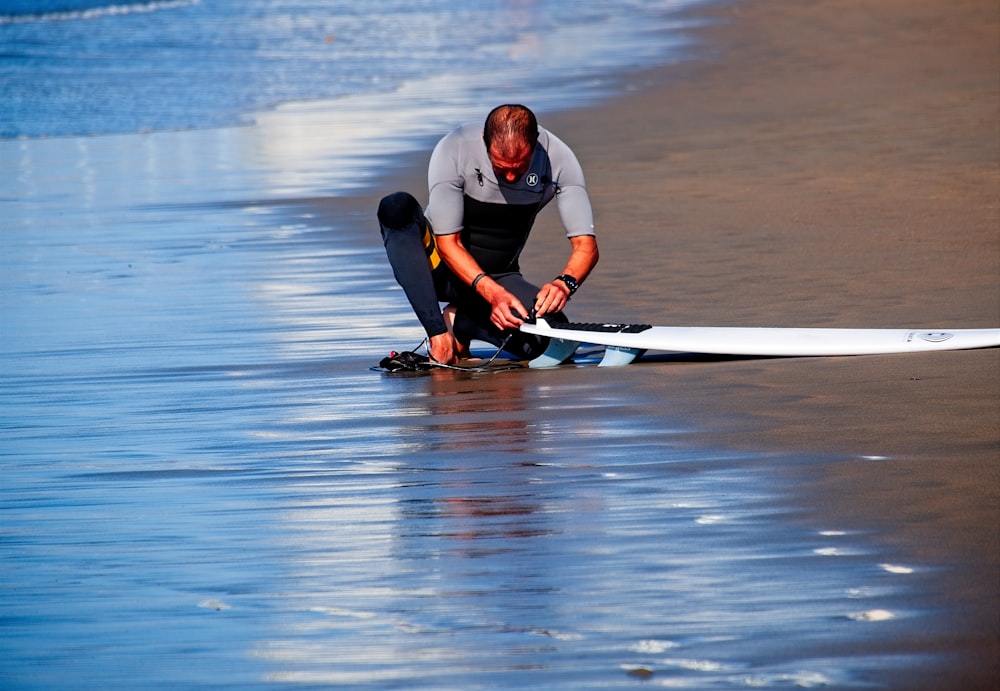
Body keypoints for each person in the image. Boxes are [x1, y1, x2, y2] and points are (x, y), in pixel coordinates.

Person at [377, 104, 599, 364]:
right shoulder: (455, 149)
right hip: (438, 270)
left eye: (520, 167)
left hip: (500, 275)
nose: (511, 176)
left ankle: (462, 322)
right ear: (485, 141)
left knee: (552, 338)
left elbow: (586, 245)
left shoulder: (559, 160)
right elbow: (448, 243)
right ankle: (439, 333)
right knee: (396, 207)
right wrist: (491, 295)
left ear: (535, 142)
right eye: (502, 167)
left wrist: (564, 283)